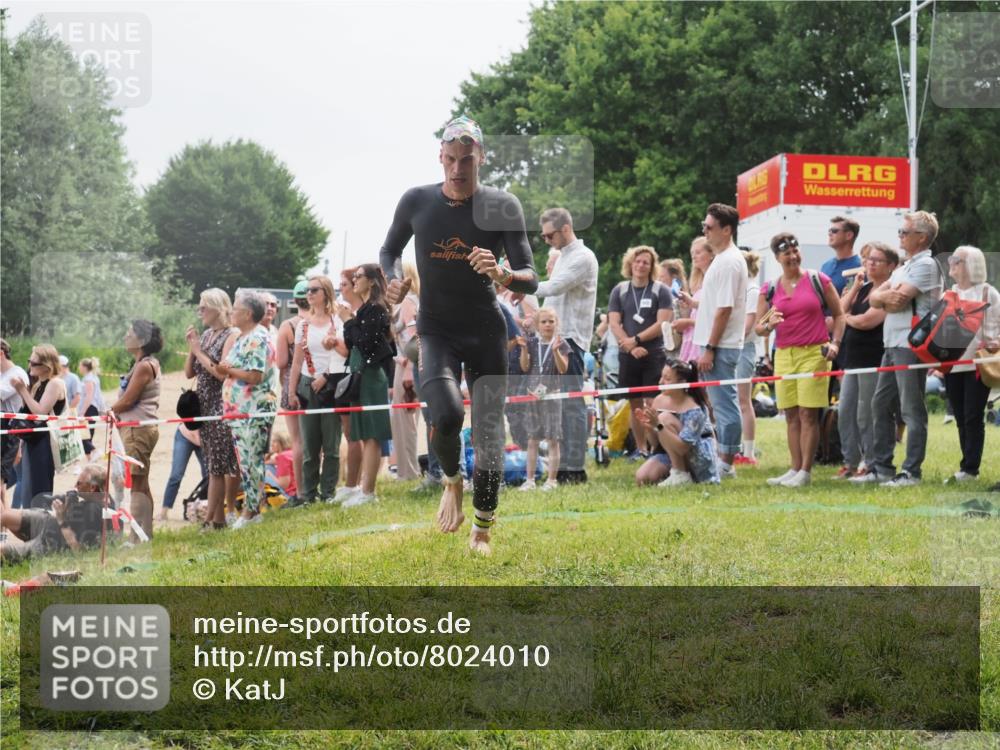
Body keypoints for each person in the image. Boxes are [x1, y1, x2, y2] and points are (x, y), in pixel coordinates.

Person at [380, 114, 538, 555]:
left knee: (488, 430)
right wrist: (393, 278)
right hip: (436, 329)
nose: (457, 168)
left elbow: (532, 278)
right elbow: (390, 249)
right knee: (446, 415)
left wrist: (503, 272)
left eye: (466, 159)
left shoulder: (503, 206)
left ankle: (483, 530)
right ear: (440, 158)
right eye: (449, 159)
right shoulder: (417, 201)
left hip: (486, 328)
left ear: (480, 158)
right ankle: (452, 481)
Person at [862, 211, 944, 487]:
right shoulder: (902, 268)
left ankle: (911, 472)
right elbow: (874, 299)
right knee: (880, 404)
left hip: (911, 345)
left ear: (921, 237)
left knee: (910, 410)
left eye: (904, 232)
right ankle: (882, 468)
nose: (899, 236)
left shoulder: (927, 265)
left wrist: (883, 297)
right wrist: (883, 296)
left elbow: (897, 301)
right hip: (891, 343)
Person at [757, 233, 845, 487]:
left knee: (808, 413)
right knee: (791, 414)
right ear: (777, 258)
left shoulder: (818, 279)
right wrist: (768, 325)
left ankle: (805, 471)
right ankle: (794, 468)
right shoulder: (770, 288)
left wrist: (835, 343)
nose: (793, 257)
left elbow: (839, 316)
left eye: (796, 252)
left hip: (814, 353)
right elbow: (758, 328)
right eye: (787, 254)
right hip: (784, 354)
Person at [536, 207, 599, 485]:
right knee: (556, 407)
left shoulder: (583, 257)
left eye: (549, 235)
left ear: (565, 229)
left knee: (571, 405)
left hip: (570, 340)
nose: (546, 240)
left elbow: (555, 287)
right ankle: (559, 468)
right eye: (543, 236)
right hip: (554, 340)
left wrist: (514, 281)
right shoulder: (562, 257)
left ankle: (574, 469)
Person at [694, 204, 748, 478]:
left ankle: (726, 463)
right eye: (703, 226)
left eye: (709, 227)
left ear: (726, 230)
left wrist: (711, 348)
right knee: (720, 404)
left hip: (721, 346)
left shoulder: (729, 261)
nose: (704, 231)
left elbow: (724, 309)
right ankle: (722, 457)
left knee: (725, 405)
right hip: (714, 345)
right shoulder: (722, 259)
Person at [837, 243, 898, 480]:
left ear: (890, 266)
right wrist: (854, 289)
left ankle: (871, 463)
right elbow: (839, 311)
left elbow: (868, 321)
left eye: (877, 260)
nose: (870, 263)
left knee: (867, 413)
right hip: (851, 359)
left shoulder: (887, 290)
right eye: (868, 259)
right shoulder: (862, 288)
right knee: (846, 412)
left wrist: (848, 318)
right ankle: (849, 462)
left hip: (873, 358)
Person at [608, 245, 674, 459]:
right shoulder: (620, 290)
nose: (641, 265)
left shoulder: (660, 290)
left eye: (646, 262)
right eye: (638, 261)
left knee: (652, 402)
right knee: (634, 403)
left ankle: (658, 447)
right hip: (628, 355)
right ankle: (641, 449)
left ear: (652, 266)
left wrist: (637, 340)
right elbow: (614, 322)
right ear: (630, 263)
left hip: (653, 353)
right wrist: (630, 346)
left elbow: (662, 322)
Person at [942, 245, 1000, 483]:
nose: (950, 263)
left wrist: (996, 341)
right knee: (959, 415)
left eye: (956, 260)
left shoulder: (989, 293)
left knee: (972, 415)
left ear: (970, 265)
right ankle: (967, 466)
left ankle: (970, 469)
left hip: (978, 363)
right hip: (952, 363)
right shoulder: (949, 293)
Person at [220, 291, 277, 528]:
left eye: (235, 309)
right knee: (245, 462)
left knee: (252, 461)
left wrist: (229, 371)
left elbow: (255, 375)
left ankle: (251, 512)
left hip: (252, 410)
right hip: (239, 412)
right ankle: (252, 509)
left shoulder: (257, 337)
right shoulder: (243, 336)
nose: (231, 313)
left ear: (248, 313)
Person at [340, 264, 395, 506]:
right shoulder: (364, 310)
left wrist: (348, 322)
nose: (354, 281)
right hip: (360, 375)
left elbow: (364, 343)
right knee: (362, 434)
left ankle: (368, 492)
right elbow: (353, 343)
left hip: (372, 376)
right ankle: (363, 488)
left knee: (372, 436)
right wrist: (350, 322)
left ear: (371, 281)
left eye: (358, 277)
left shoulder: (376, 309)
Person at [289, 275, 347, 504]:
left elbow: (344, 354)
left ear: (326, 292)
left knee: (331, 443)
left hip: (331, 383)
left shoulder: (337, 321)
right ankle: (308, 493)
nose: (309, 294)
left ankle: (328, 493)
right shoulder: (302, 325)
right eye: (307, 291)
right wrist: (291, 391)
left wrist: (325, 377)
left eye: (314, 290)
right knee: (310, 444)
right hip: (306, 383)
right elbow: (296, 361)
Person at [186, 288, 240, 530]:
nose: (200, 312)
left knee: (218, 466)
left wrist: (198, 351)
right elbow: (190, 372)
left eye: (203, 307)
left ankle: (211, 520)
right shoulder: (206, 335)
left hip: (221, 404)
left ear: (218, 308)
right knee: (212, 464)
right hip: (203, 404)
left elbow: (221, 373)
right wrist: (192, 348)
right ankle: (217, 520)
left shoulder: (232, 334)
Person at [109, 320, 162, 541]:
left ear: (141, 339)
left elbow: (129, 400)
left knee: (137, 486)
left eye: (129, 333)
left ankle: (135, 537)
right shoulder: (143, 363)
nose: (124, 337)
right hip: (136, 429)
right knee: (142, 483)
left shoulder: (143, 366)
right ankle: (145, 533)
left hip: (137, 431)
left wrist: (107, 410)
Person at [633, 359, 721, 487]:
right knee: (643, 478)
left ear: (682, 383)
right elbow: (655, 443)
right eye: (661, 377)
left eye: (667, 379)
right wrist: (649, 426)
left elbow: (682, 448)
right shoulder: (659, 400)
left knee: (664, 418)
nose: (660, 382)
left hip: (697, 456)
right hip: (669, 452)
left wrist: (658, 424)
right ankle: (676, 473)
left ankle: (681, 474)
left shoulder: (695, 409)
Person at [1, 464, 110, 562]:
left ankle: (27, 549)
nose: (75, 485)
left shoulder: (94, 512)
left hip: (51, 541)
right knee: (5, 516)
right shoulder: (101, 498)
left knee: (2, 551)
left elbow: (78, 550)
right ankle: (29, 542)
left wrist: (61, 519)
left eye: (79, 483)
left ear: (92, 488)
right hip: (50, 521)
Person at [517, 308, 570, 491]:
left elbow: (563, 369)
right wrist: (523, 349)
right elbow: (524, 367)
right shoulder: (531, 343)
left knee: (552, 439)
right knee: (532, 439)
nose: (548, 325)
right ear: (538, 326)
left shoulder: (561, 343)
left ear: (556, 324)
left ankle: (551, 480)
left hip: (552, 396)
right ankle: (530, 480)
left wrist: (555, 352)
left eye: (551, 321)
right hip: (533, 396)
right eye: (544, 322)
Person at [9, 344, 66, 507]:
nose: (29, 366)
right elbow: (27, 413)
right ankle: (31, 527)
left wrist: (22, 391)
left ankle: (40, 528)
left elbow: (40, 413)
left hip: (45, 443)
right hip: (32, 441)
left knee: (40, 489)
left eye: (34, 363)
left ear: (47, 365)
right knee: (28, 488)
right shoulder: (38, 384)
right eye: (29, 361)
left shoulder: (55, 383)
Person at [276, 280, 309, 498]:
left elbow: (281, 362)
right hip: (315, 382)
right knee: (318, 440)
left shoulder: (288, 326)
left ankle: (301, 490)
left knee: (297, 440)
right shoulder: (320, 322)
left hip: (292, 384)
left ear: (295, 300)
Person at [334, 267, 365, 499]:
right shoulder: (343, 311)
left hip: (355, 374)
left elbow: (353, 347)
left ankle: (355, 483)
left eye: (344, 284)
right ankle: (350, 482)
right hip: (341, 375)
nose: (341, 288)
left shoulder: (357, 313)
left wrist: (335, 340)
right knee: (348, 431)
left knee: (356, 433)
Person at [389, 261, 422, 481]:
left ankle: (410, 471)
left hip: (408, 365)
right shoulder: (402, 302)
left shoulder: (409, 301)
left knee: (407, 421)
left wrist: (409, 369)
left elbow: (413, 337)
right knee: (399, 420)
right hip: (402, 363)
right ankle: (404, 469)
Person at [734, 250, 762, 466]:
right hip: (733, 348)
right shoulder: (739, 289)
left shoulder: (752, 289)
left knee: (744, 400)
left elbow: (749, 323)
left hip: (744, 348)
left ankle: (749, 452)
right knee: (734, 400)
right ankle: (736, 448)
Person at [674, 238, 713, 362]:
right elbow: (696, 312)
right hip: (691, 339)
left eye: (698, 252)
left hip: (704, 341)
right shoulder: (698, 283)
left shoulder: (714, 279)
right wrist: (686, 306)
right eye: (692, 253)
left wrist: (689, 322)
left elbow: (714, 313)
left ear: (712, 254)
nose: (694, 257)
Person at [160, 423, 206, 521]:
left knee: (209, 476)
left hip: (205, 437)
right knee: (176, 475)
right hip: (185, 434)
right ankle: (164, 511)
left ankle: (207, 509)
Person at [1, 339, 29, 491]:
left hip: (14, 431)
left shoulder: (17, 374)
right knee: (3, 483)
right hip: (6, 430)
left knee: (15, 480)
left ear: (1, 353)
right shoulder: (2, 373)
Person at [822, 216, 863, 296]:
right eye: (829, 231)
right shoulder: (826, 266)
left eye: (834, 231)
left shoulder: (859, 268)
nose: (830, 234)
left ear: (849, 235)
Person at [77, 358, 107, 460]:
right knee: (88, 435)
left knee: (83, 435)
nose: (79, 368)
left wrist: (82, 412)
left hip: (89, 408)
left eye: (80, 365)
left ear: (85, 367)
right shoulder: (93, 377)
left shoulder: (88, 379)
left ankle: (95, 451)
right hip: (92, 408)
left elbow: (89, 397)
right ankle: (89, 460)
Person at [266, 430, 297, 498]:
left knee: (263, 476)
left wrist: (269, 474)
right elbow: (267, 461)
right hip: (296, 492)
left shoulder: (283, 457)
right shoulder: (290, 453)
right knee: (267, 466)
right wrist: (271, 453)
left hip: (288, 495)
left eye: (274, 442)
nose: (271, 445)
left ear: (281, 442)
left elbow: (283, 485)